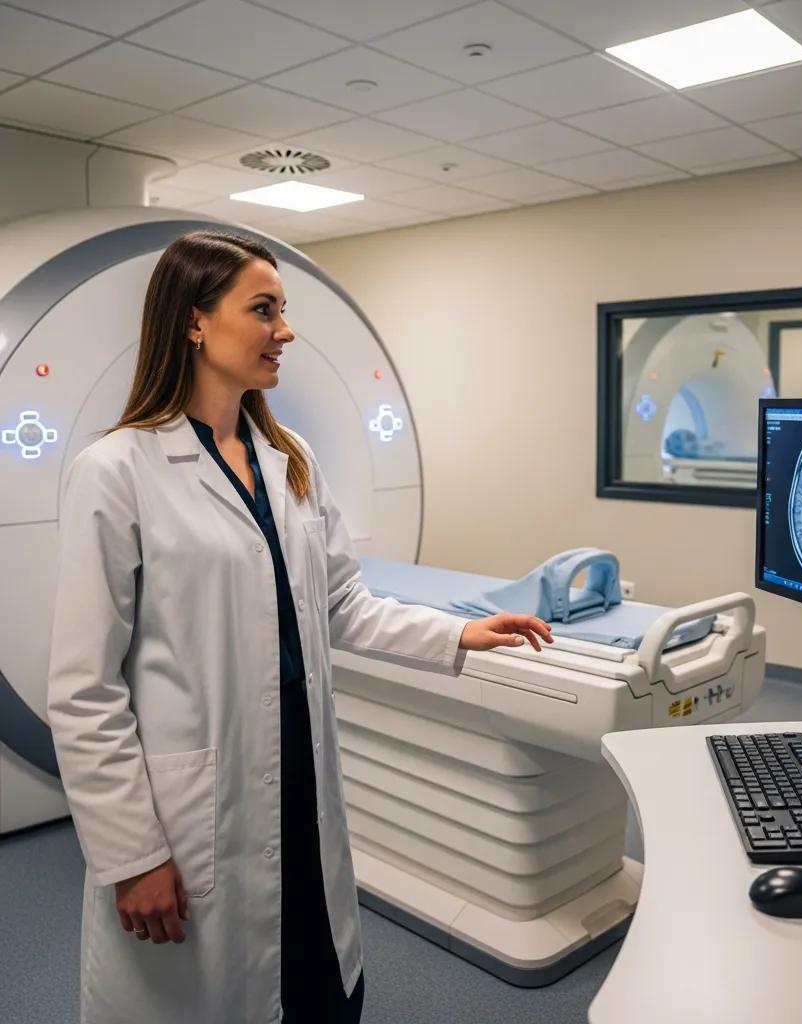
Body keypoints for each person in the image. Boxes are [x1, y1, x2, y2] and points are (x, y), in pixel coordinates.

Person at [46, 230, 552, 1024]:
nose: (285, 330)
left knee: (316, 984)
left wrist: (458, 635)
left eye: (283, 311)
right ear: (194, 321)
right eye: (264, 310)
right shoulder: (116, 472)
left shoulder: (290, 458)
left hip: (297, 771)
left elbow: (342, 602)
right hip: (193, 801)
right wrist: (131, 853)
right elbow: (84, 690)